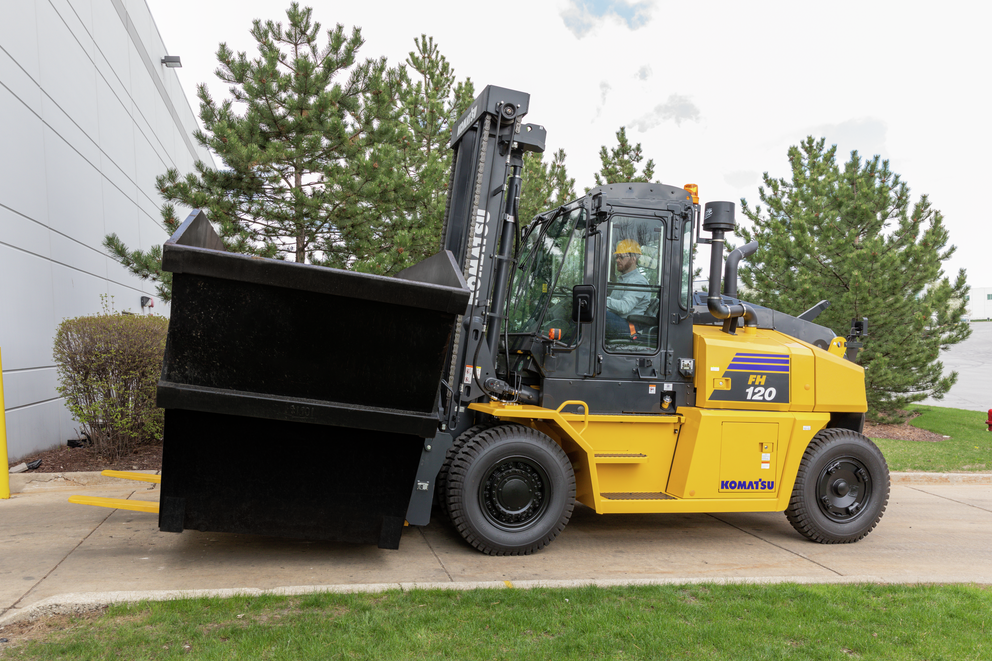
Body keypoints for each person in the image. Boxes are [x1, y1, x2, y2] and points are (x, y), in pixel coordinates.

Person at [605, 239, 650, 339]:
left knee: (594, 314)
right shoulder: (622, 279)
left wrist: (601, 301)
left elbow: (624, 307)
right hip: (619, 320)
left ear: (633, 259)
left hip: (630, 327)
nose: (617, 260)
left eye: (621, 257)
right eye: (617, 257)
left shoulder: (639, 282)